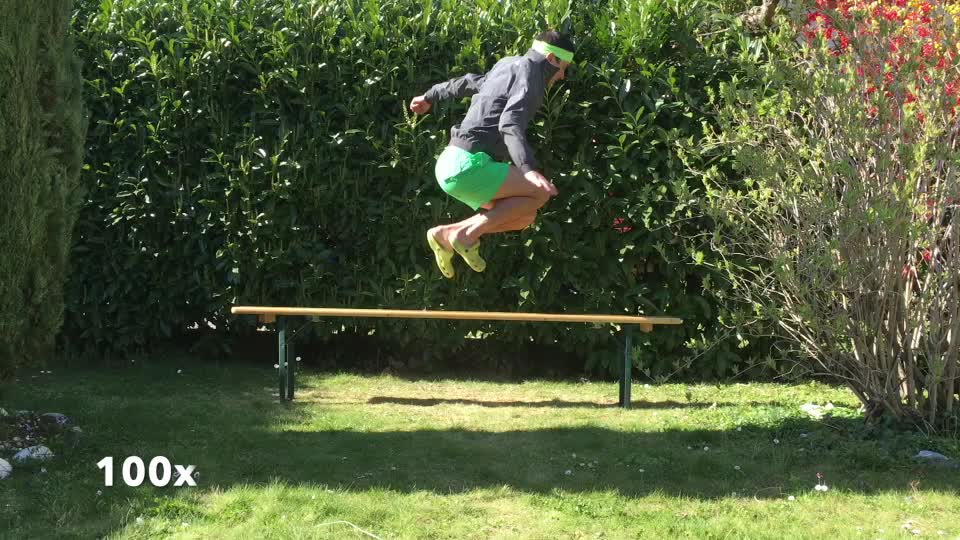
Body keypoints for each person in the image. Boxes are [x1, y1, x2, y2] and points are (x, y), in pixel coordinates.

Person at [410, 30, 575, 279]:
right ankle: (464, 235)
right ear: (551, 58)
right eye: (563, 68)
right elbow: (510, 123)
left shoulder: (507, 64)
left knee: (525, 215)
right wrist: (528, 169)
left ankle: (448, 233)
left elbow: (467, 83)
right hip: (468, 166)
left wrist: (429, 96)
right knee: (539, 192)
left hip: (450, 163)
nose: (562, 76)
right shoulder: (532, 76)